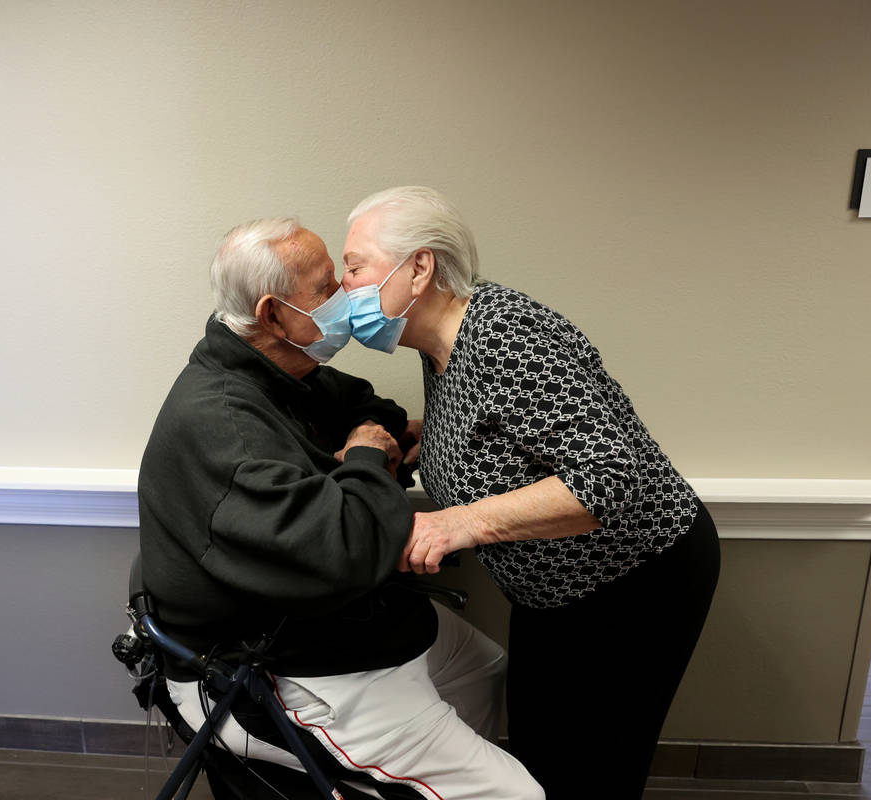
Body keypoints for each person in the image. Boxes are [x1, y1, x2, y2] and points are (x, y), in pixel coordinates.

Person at [138, 217, 543, 800]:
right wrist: (363, 458)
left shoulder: (278, 372)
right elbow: (345, 547)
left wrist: (363, 450)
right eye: (327, 287)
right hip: (275, 661)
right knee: (521, 797)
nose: (348, 296)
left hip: (331, 618)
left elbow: (371, 408)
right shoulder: (226, 427)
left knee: (483, 666)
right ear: (274, 313)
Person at [340, 186, 720, 800]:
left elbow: (607, 477)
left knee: (592, 768)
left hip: (635, 579)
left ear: (419, 267)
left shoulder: (507, 334)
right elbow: (502, 436)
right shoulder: (440, 346)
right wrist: (416, 440)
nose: (345, 286)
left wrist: (458, 524)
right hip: (553, 589)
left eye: (355, 266)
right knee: (542, 756)